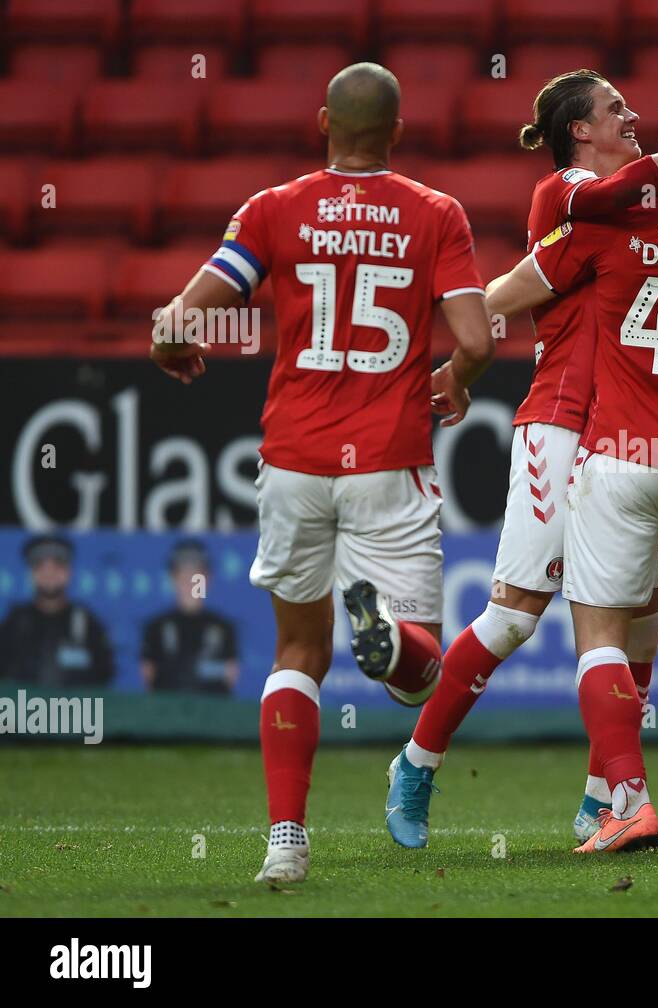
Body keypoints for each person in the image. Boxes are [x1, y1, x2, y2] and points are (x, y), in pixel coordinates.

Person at [378, 70, 658, 849]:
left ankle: (609, 797)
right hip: (562, 427)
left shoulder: (647, 210)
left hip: (626, 438)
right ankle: (417, 761)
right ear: (578, 131)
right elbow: (504, 290)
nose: (631, 118)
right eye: (614, 111)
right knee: (514, 614)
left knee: (642, 625)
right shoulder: (574, 194)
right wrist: (456, 364)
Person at [148, 62, 495, 883]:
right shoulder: (435, 213)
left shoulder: (274, 209)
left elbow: (179, 317)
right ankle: (389, 641)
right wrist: (458, 380)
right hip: (390, 459)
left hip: (294, 459)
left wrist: (175, 346)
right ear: (398, 134)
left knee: (298, 650)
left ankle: (286, 844)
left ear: (322, 123)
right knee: (419, 679)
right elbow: (477, 341)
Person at [0, 534, 114, 689]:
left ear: (69, 572)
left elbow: (104, 678)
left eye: (58, 566)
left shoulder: (87, 623)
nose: (49, 573)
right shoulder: (14, 623)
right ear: (31, 573)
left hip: (75, 711)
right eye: (41, 566)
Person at [140, 539, 239, 695]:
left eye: (196, 577)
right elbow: (148, 676)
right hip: (164, 713)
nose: (190, 583)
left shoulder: (223, 628)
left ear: (208, 579)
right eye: (183, 576)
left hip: (212, 713)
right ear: (173, 578)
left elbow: (230, 676)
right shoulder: (156, 628)